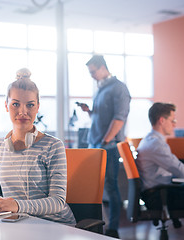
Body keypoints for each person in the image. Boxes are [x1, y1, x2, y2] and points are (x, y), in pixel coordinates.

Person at [0, 68, 76, 225]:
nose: (23, 111)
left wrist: (16, 205)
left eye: (30, 105)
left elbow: (57, 201)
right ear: (6, 106)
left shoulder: (53, 146)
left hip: (55, 225)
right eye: (15, 104)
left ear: (38, 107)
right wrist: (4, 203)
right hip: (20, 222)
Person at [136, 102, 184, 238]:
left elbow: (181, 170)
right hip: (160, 196)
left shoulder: (150, 140)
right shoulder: (156, 144)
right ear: (162, 121)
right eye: (173, 120)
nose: (175, 124)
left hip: (160, 191)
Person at [78, 55, 131, 238]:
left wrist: (106, 141)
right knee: (94, 188)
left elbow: (119, 118)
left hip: (107, 147)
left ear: (102, 68)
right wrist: (89, 112)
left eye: (93, 71)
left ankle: (113, 228)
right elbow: (99, 118)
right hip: (96, 144)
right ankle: (96, 226)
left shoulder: (119, 88)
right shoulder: (100, 89)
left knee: (111, 186)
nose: (92, 75)